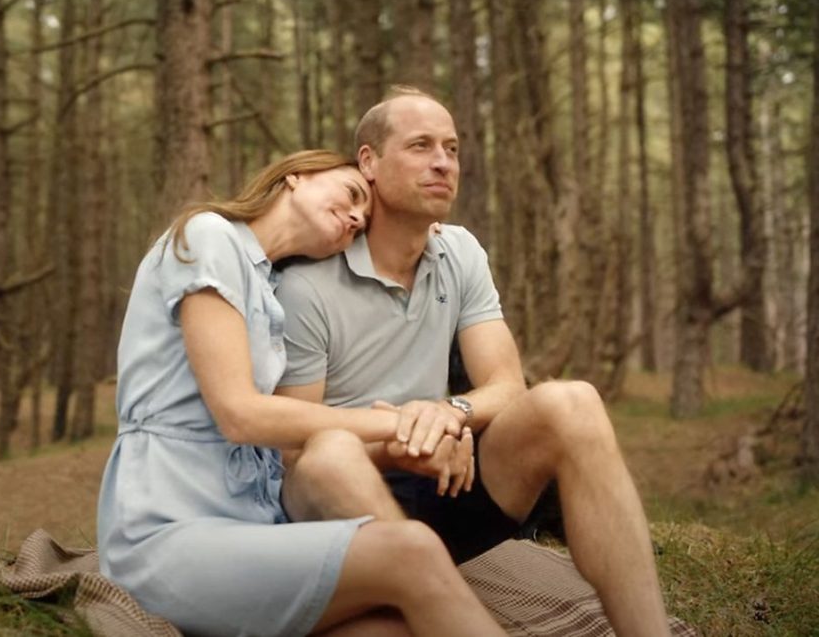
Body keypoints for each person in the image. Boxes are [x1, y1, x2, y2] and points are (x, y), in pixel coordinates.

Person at [275, 86, 672, 636]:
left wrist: (450, 413)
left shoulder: (460, 251)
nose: (442, 162)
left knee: (571, 401)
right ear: (369, 161)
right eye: (420, 146)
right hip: (343, 512)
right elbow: (293, 453)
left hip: (445, 483)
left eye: (452, 148)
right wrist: (402, 443)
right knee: (327, 454)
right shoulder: (307, 284)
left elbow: (505, 385)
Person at [97, 149, 509, 637]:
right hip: (168, 528)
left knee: (391, 626)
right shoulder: (211, 237)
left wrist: (415, 444)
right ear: (296, 175)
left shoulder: (271, 287)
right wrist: (408, 422)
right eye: (352, 194)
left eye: (361, 224)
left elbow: (289, 439)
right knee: (411, 549)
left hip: (256, 525)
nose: (356, 216)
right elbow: (240, 415)